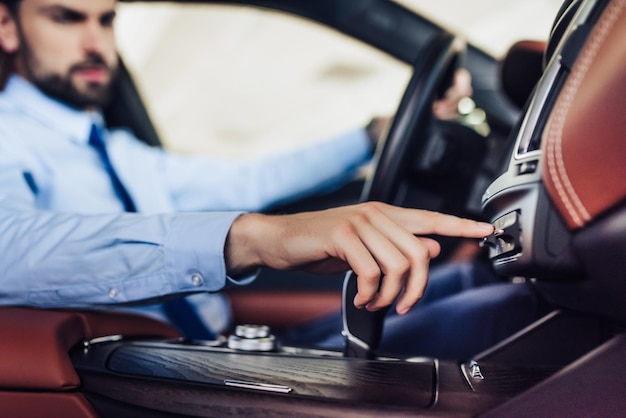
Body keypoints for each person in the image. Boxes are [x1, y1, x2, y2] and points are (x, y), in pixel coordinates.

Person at [0, 0, 549, 359]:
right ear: (6, 25)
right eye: (66, 17)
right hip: (138, 371)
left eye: (107, 19)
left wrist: (373, 134)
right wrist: (256, 239)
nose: (96, 43)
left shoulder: (115, 149)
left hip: (218, 347)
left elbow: (246, 178)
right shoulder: (10, 136)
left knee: (476, 286)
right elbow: (9, 248)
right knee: (513, 318)